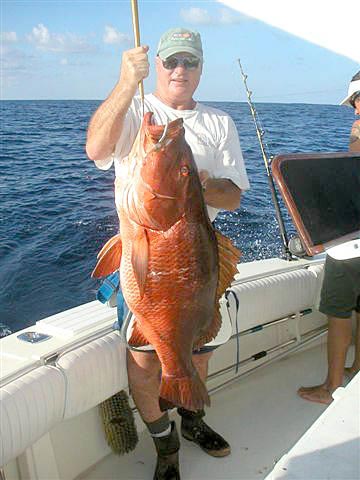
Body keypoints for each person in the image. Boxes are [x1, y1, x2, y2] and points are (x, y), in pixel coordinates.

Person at [86, 28, 250, 479]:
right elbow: (97, 149)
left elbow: (233, 196)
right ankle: (166, 444)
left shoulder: (219, 122)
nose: (180, 70)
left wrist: (194, 180)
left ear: (200, 68)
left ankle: (192, 419)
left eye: (190, 62)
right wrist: (124, 82)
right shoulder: (136, 108)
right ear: (156, 64)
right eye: (171, 61)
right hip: (154, 253)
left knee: (196, 357)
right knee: (143, 361)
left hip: (197, 263)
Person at [297, 71, 360, 405]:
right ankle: (356, 368)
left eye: (356, 101)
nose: (354, 110)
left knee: (338, 313)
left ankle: (331, 387)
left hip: (350, 246)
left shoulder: (359, 131)